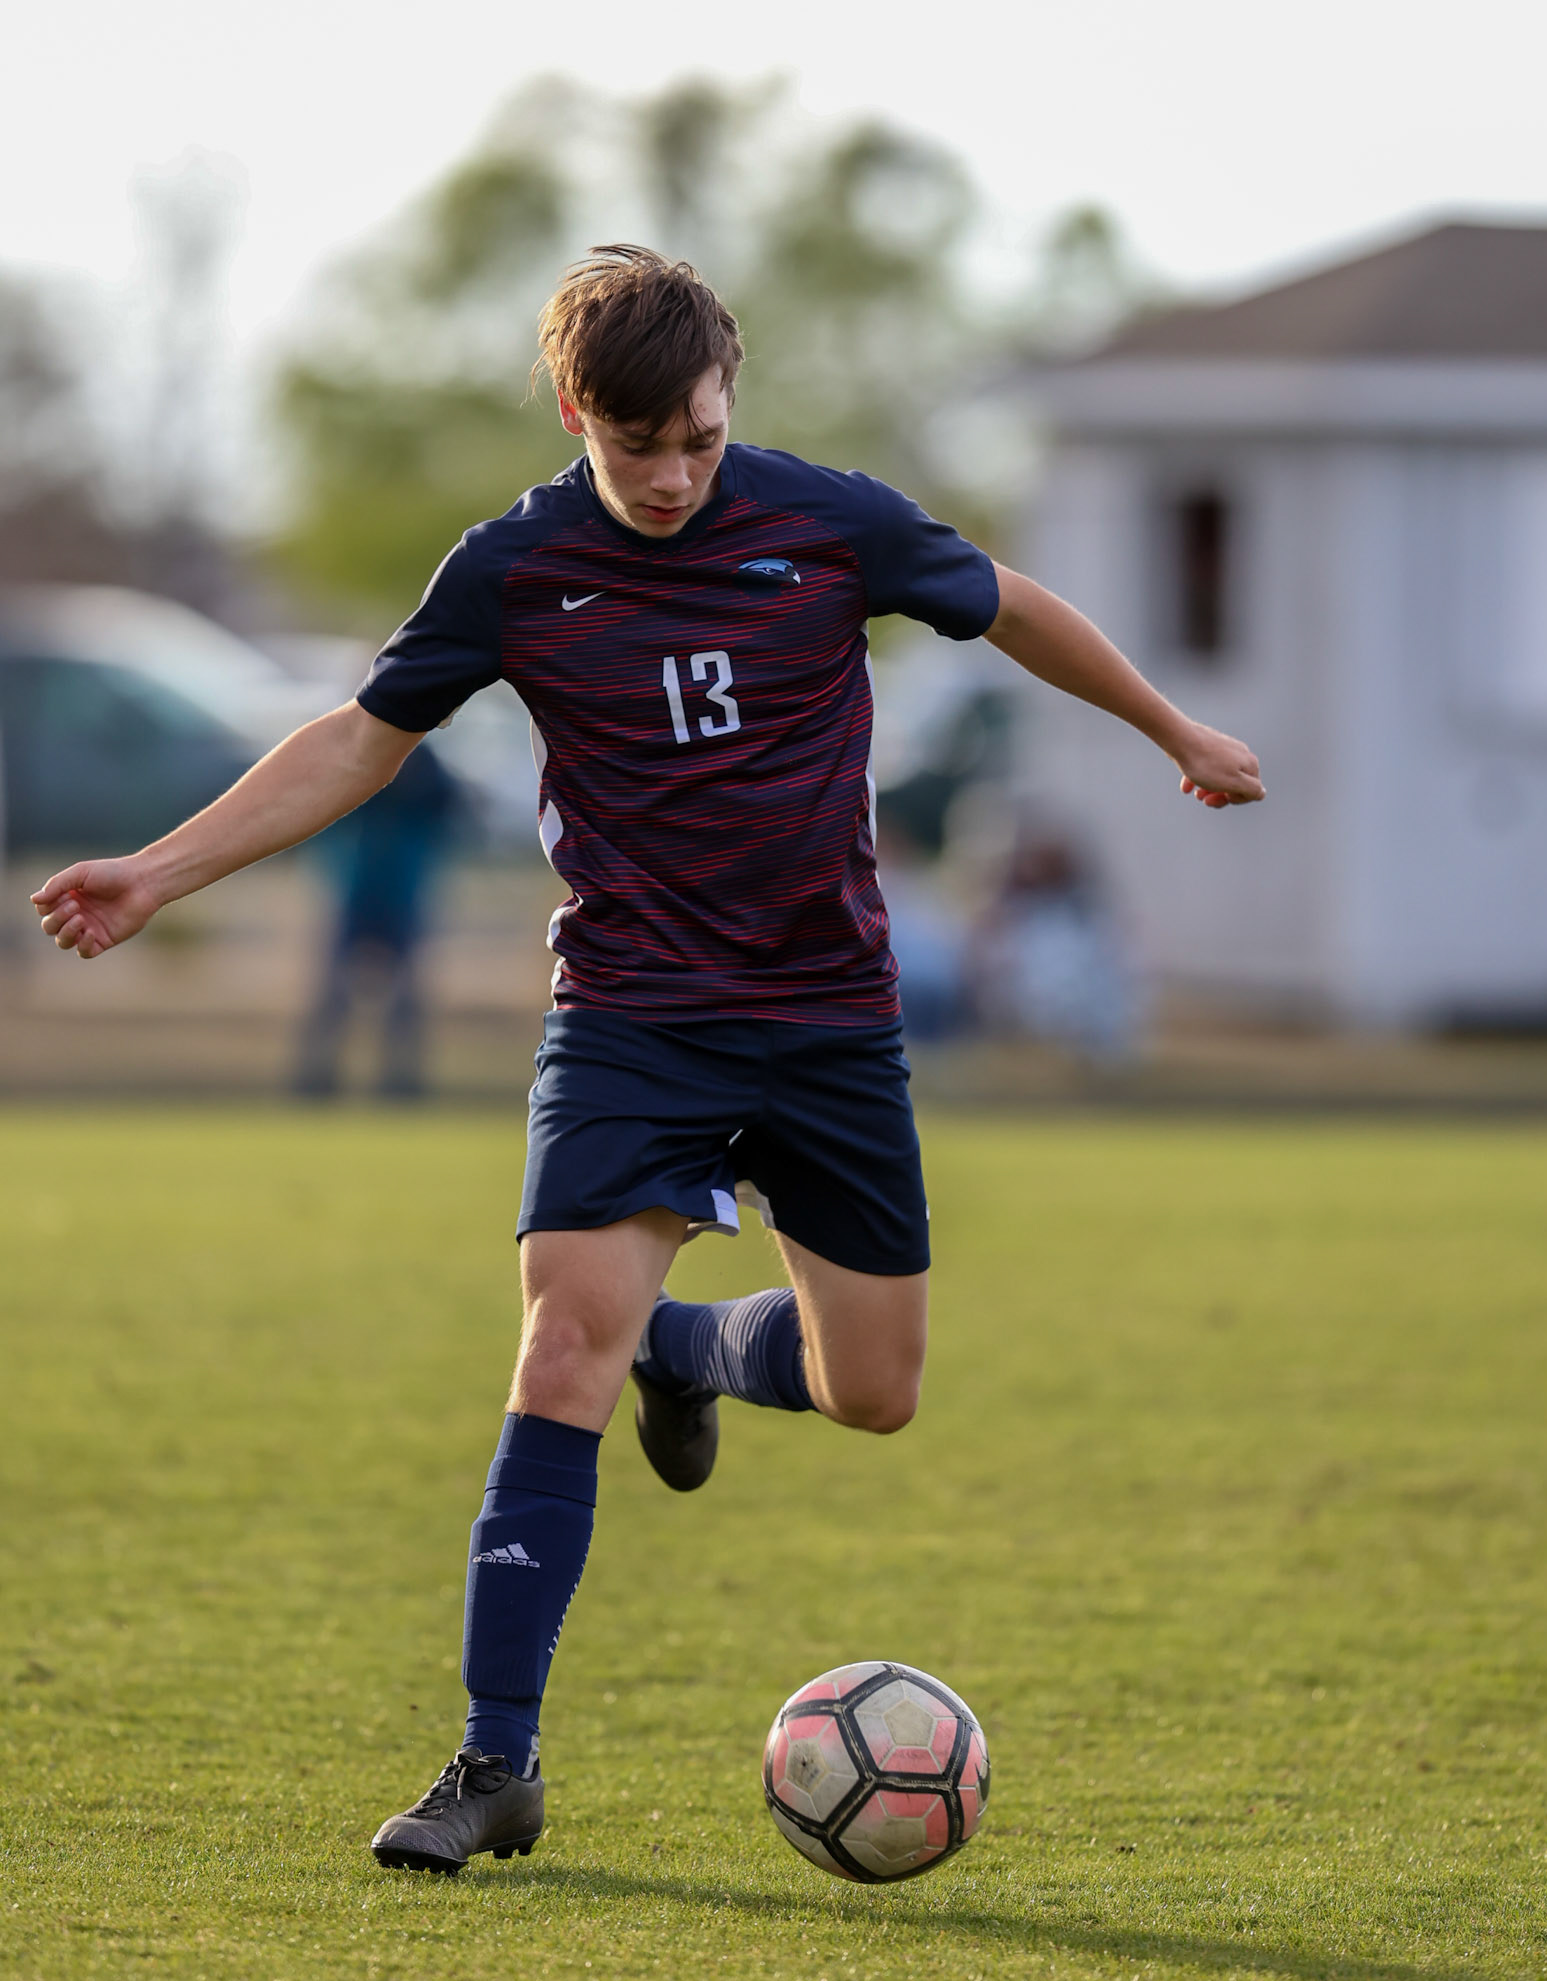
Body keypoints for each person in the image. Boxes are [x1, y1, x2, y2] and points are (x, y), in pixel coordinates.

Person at [32, 246, 1264, 1875]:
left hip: (829, 1015)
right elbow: (356, 738)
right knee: (559, 1345)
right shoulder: (516, 568)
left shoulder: (829, 520)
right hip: (633, 1012)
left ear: (729, 392)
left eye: (694, 438)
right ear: (574, 416)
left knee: (872, 1389)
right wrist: (155, 868)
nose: (672, 475)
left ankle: (689, 1350)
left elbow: (1013, 607)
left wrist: (1175, 729)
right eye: (636, 448)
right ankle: (496, 1762)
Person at [294, 739, 463, 1098]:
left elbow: (450, 813)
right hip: (357, 890)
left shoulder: (429, 770)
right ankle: (316, 1079)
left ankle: (401, 1082)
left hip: (401, 893)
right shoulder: (357, 757)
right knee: (333, 993)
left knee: (404, 997)